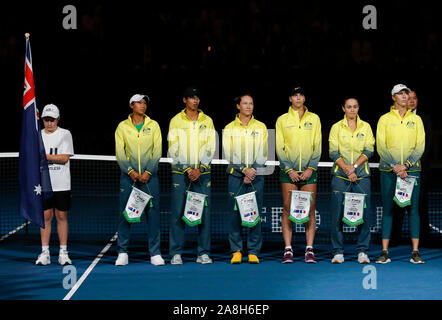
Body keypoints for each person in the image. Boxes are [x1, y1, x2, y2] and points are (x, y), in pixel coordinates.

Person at [375, 84, 426, 264]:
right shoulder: (384, 119)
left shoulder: (416, 120)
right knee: (388, 210)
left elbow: (420, 146)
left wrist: (406, 165)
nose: (405, 96)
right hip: (389, 171)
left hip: (412, 171)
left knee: (413, 211)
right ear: (393, 98)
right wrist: (394, 166)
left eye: (406, 93)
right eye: (400, 94)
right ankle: (384, 251)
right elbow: (381, 146)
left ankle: (415, 252)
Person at [168, 87, 216, 265]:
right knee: (178, 213)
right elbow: (174, 147)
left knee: (204, 213)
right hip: (181, 174)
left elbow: (211, 147)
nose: (195, 101)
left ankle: (203, 253)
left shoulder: (207, 120)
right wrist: (188, 168)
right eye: (191, 98)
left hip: (203, 174)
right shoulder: (176, 121)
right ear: (184, 100)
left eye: (197, 98)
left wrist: (200, 168)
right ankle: (176, 253)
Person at [114, 94, 164, 266]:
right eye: (139, 103)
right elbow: (120, 153)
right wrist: (131, 172)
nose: (143, 105)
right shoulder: (122, 127)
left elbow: (157, 151)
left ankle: (155, 253)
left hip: (150, 178)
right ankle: (122, 252)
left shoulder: (154, 125)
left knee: (153, 215)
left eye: (144, 103)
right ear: (131, 105)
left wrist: (148, 172)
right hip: (128, 178)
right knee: (125, 215)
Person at [275, 86, 322, 263]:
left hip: (309, 171)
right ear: (290, 98)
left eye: (301, 94)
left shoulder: (314, 119)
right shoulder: (282, 120)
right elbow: (280, 147)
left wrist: (311, 168)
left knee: (310, 209)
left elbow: (317, 145)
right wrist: (289, 169)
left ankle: (309, 249)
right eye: (295, 95)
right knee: (287, 209)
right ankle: (288, 249)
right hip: (289, 172)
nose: (298, 97)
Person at [223, 93, 268, 264]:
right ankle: (236, 251)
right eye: (245, 103)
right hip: (236, 177)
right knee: (235, 214)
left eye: (251, 103)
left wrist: (252, 172)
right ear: (238, 106)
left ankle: (253, 251)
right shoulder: (229, 128)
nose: (248, 106)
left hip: (256, 177)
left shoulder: (261, 127)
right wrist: (244, 170)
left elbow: (263, 152)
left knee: (254, 213)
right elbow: (229, 153)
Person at [328, 98, 375, 264]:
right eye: (349, 107)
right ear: (343, 108)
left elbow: (369, 150)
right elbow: (333, 152)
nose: (352, 109)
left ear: (358, 108)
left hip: (362, 177)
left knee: (364, 215)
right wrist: (347, 169)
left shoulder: (366, 127)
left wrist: (354, 167)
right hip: (340, 177)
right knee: (337, 216)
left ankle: (362, 251)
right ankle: (338, 252)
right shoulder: (336, 127)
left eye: (355, 106)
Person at [390, 90, 433, 246]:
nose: (412, 101)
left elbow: (425, 146)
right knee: (399, 202)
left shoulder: (424, 119)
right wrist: (401, 166)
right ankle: (394, 238)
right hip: (400, 170)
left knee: (420, 204)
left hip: (419, 170)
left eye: (415, 98)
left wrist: (410, 164)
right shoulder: (394, 118)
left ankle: (423, 239)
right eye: (410, 98)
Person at [35, 104, 74, 266]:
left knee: (62, 216)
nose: (49, 123)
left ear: (58, 119)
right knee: (46, 217)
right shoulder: (36, 136)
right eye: (46, 119)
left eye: (52, 120)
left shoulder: (65, 134)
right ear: (42, 119)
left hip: (62, 183)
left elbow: (64, 158)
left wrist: (44, 157)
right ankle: (45, 253)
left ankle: (63, 253)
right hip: (43, 184)